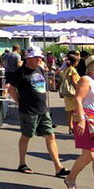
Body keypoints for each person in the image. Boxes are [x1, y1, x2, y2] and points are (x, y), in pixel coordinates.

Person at [9, 46, 70, 177]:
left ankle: (58, 167)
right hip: (29, 110)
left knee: (50, 136)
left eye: (40, 57)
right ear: (28, 58)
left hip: (43, 109)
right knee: (26, 136)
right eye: (36, 57)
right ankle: (22, 163)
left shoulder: (40, 69)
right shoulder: (21, 72)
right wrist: (19, 102)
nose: (39, 59)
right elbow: (12, 89)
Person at [63, 54, 94, 189]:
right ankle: (70, 178)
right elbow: (78, 99)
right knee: (89, 154)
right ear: (91, 67)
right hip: (86, 120)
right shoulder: (85, 80)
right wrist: (81, 119)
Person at [61, 52, 80, 134]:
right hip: (72, 93)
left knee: (69, 111)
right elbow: (74, 82)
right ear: (75, 62)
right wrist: (79, 90)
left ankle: (70, 127)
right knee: (76, 111)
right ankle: (74, 127)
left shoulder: (66, 69)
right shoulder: (72, 70)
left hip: (67, 93)